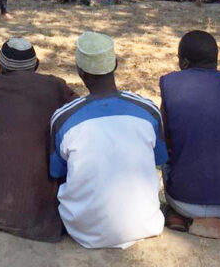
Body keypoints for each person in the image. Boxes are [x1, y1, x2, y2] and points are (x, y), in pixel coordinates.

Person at [50, 32, 167, 249]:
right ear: (116, 64)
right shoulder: (148, 110)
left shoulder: (63, 118)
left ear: (80, 72)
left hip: (83, 230)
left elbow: (58, 172)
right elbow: (158, 159)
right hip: (145, 223)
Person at [0, 38, 76, 241]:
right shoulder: (55, 86)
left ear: (0, 66)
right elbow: (78, 114)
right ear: (36, 65)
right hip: (35, 213)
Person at [159, 31, 220, 234]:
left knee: (168, 153)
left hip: (182, 199)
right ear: (216, 60)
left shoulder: (170, 84)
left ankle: (176, 214)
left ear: (184, 63)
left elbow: (164, 138)